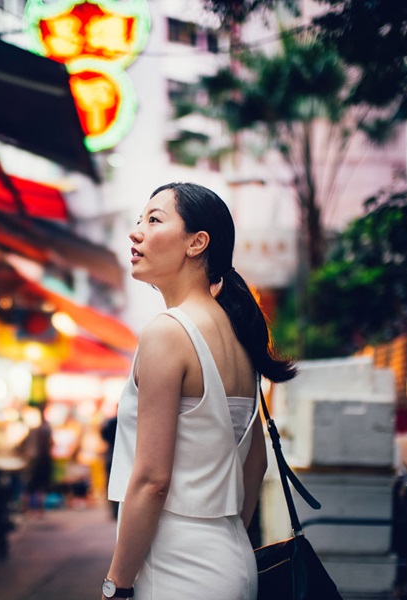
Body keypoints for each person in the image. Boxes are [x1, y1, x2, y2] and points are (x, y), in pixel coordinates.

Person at [101, 183, 296, 600]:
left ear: (197, 243)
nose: (136, 232)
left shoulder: (168, 333)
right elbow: (255, 463)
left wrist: (115, 586)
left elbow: (152, 479)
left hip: (176, 571)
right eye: (139, 221)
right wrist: (219, 537)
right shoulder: (238, 336)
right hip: (233, 562)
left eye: (154, 220)